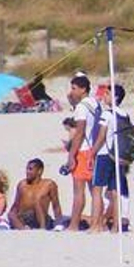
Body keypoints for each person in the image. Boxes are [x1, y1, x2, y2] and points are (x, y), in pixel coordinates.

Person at [88, 84, 129, 233]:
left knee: (97, 189)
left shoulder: (107, 114)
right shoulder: (124, 114)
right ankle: (115, 226)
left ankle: (96, 225)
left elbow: (101, 137)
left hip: (105, 154)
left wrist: (92, 153)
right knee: (114, 191)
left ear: (115, 97)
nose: (104, 96)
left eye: (107, 94)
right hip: (118, 155)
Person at [61, 75, 95, 232]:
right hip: (94, 149)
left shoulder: (82, 107)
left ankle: (73, 224)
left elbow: (80, 132)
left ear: (83, 89)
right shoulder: (94, 103)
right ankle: (97, 222)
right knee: (95, 191)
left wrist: (71, 155)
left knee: (78, 191)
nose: (71, 92)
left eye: (74, 88)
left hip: (83, 150)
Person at [7, 158, 62, 230]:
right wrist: (12, 216)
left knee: (37, 201)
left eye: (30, 169)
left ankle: (42, 229)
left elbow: (56, 206)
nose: (27, 172)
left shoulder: (49, 184)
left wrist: (58, 224)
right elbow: (16, 205)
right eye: (27, 169)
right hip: (24, 218)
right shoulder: (22, 185)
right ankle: (24, 229)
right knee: (11, 214)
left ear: (39, 171)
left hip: (41, 219)